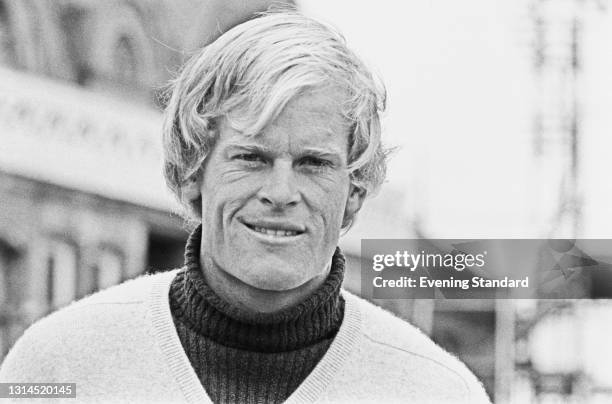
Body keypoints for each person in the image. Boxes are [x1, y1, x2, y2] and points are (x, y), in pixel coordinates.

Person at [0, 10, 490, 404]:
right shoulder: (57, 366)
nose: (281, 192)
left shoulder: (437, 390)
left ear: (356, 191)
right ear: (193, 173)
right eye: (252, 157)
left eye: (314, 163)